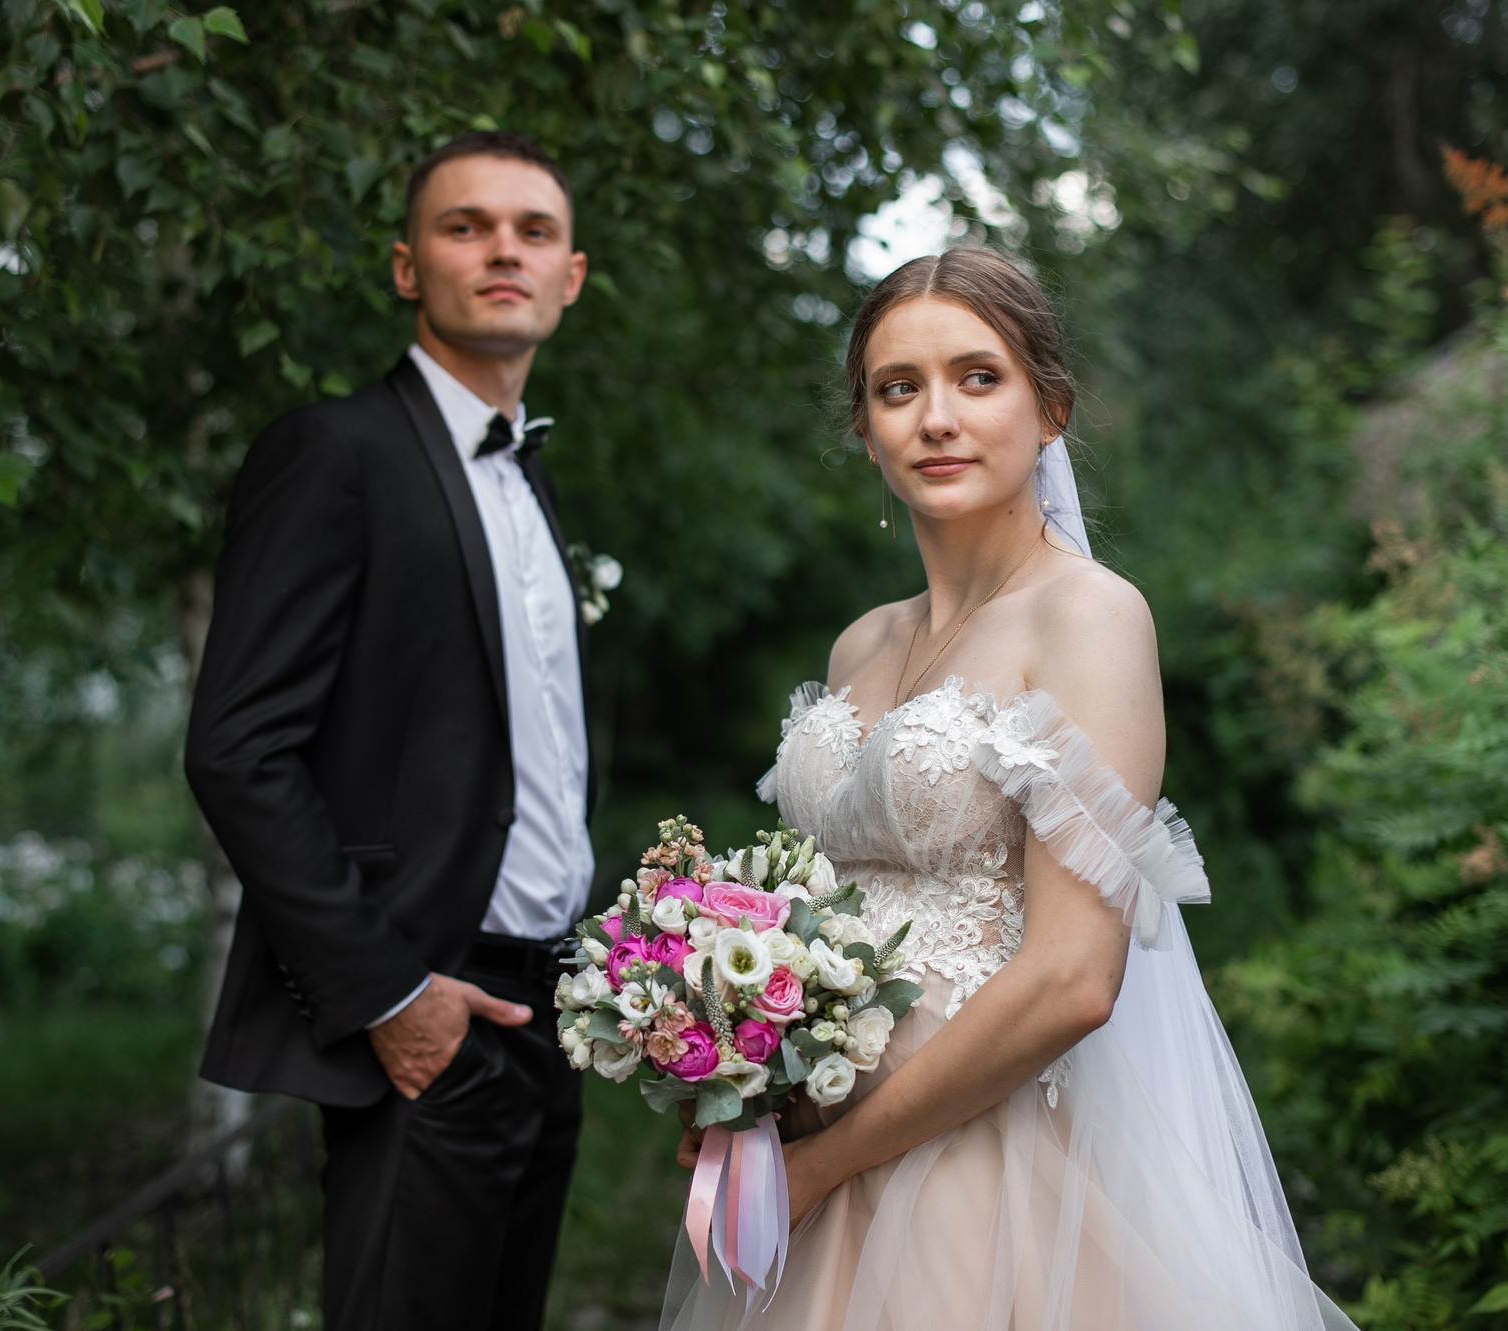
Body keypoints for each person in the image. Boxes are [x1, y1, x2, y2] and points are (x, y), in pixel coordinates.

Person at [661, 247, 1358, 1330]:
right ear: (865, 429)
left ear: (1050, 409)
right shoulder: (860, 643)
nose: (936, 418)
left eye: (978, 378)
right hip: (815, 1152)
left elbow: (1075, 978)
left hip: (983, 1166)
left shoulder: (1089, 616)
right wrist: (738, 1063)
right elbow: (827, 923)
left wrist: (828, 1162)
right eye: (899, 388)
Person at [185, 130, 595, 1331]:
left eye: (533, 231)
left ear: (570, 275)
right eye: (466, 226)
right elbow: (236, 748)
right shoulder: (333, 452)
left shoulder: (530, 478)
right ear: (408, 266)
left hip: (551, 1011)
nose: (503, 250)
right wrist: (388, 991)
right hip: (424, 1011)